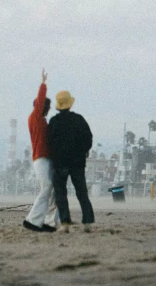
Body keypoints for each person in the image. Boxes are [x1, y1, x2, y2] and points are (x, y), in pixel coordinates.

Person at [47, 90, 95, 233]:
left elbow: (49, 142)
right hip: (77, 163)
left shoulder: (54, 122)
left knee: (61, 194)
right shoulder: (79, 119)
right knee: (82, 192)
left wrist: (54, 156)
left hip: (60, 164)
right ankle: (87, 222)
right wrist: (83, 150)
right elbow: (88, 138)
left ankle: (65, 223)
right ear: (70, 104)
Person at [23, 68, 59, 232]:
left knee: (53, 189)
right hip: (40, 158)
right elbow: (40, 100)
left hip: (47, 158)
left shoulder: (42, 120)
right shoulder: (36, 116)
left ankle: (50, 222)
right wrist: (43, 83)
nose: (48, 110)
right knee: (47, 187)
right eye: (47, 107)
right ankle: (32, 220)